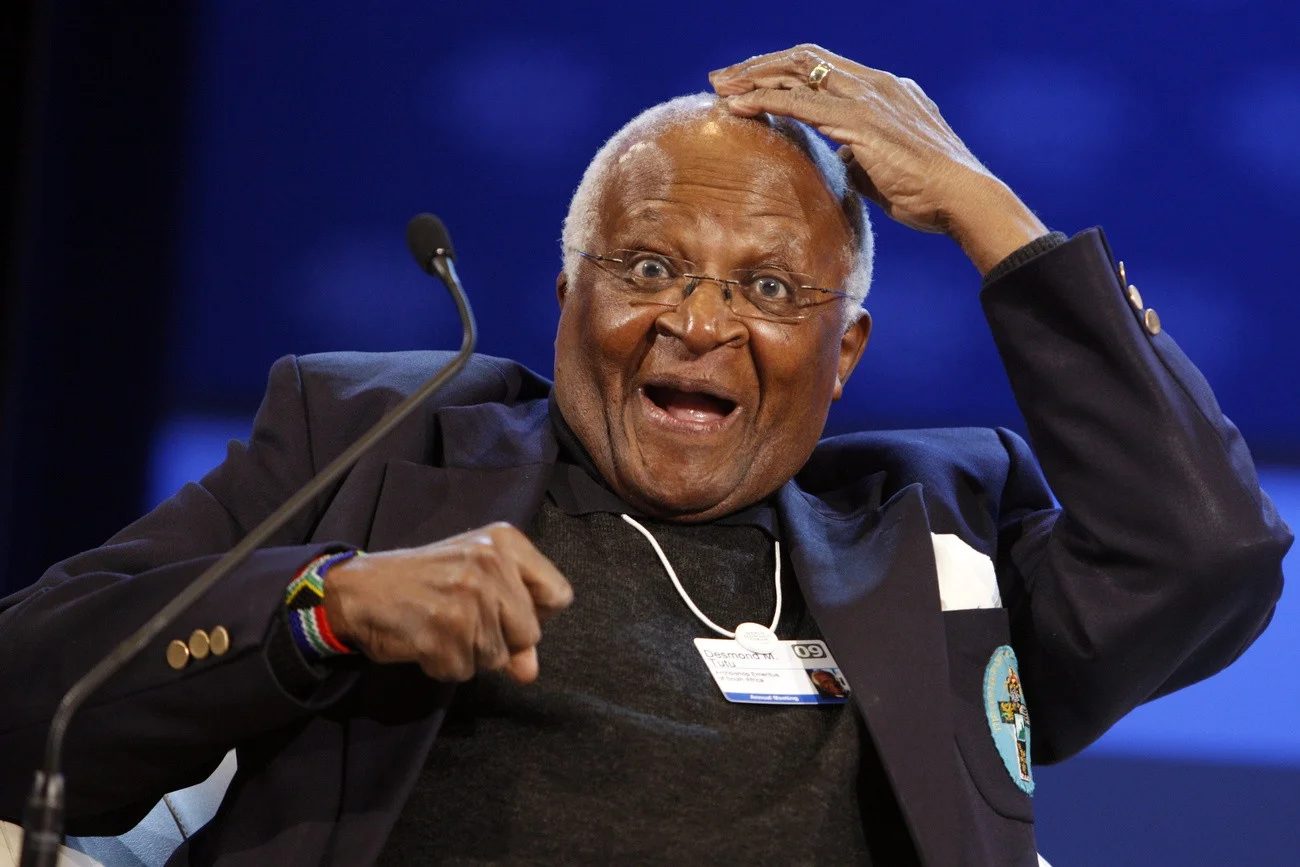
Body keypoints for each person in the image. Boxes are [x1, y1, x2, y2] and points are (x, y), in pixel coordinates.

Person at [0, 45, 1289, 867]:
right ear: (568, 300)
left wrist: (988, 214)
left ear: (844, 353)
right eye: (651, 268)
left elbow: (1208, 554)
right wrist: (321, 607)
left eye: (770, 289)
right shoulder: (379, 442)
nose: (699, 324)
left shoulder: (932, 524)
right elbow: (28, 705)